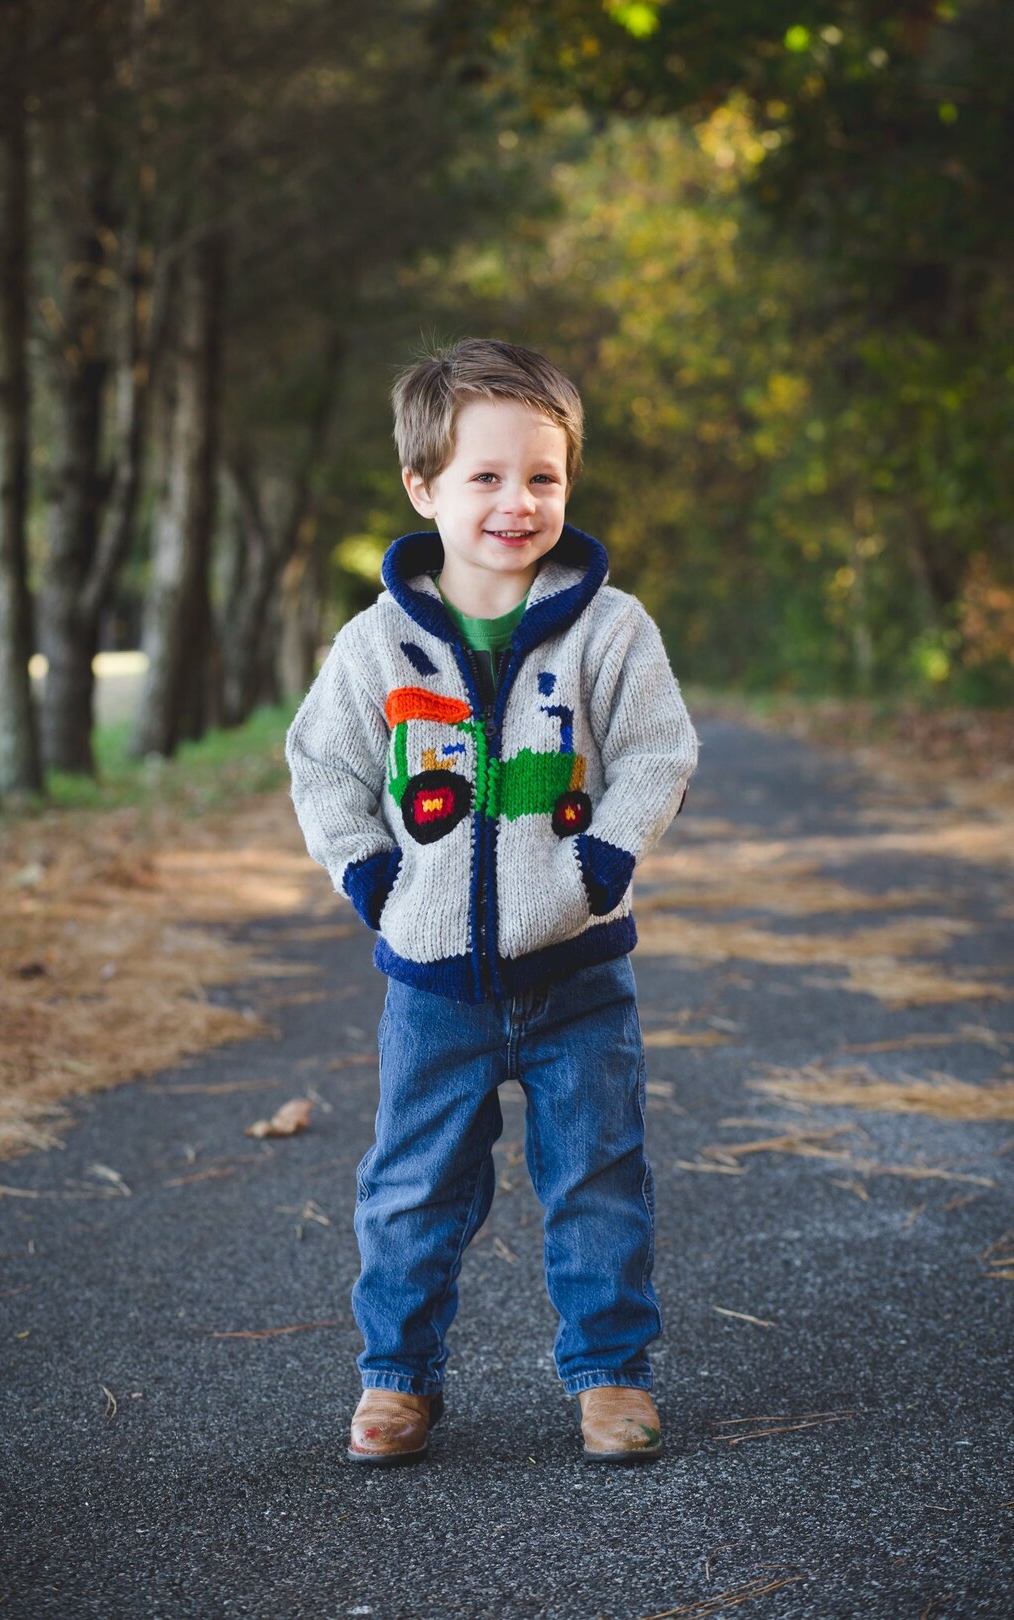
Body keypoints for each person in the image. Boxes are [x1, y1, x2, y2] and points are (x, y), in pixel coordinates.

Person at [286, 338, 699, 1466]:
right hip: (434, 991)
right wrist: (371, 877)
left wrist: (601, 865)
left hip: (579, 975)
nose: (518, 502)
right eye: (486, 476)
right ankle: (397, 1378)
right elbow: (322, 768)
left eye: (543, 477)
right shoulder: (378, 645)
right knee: (412, 1190)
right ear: (423, 487)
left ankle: (611, 1376)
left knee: (599, 1182)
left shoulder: (611, 628)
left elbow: (659, 753)